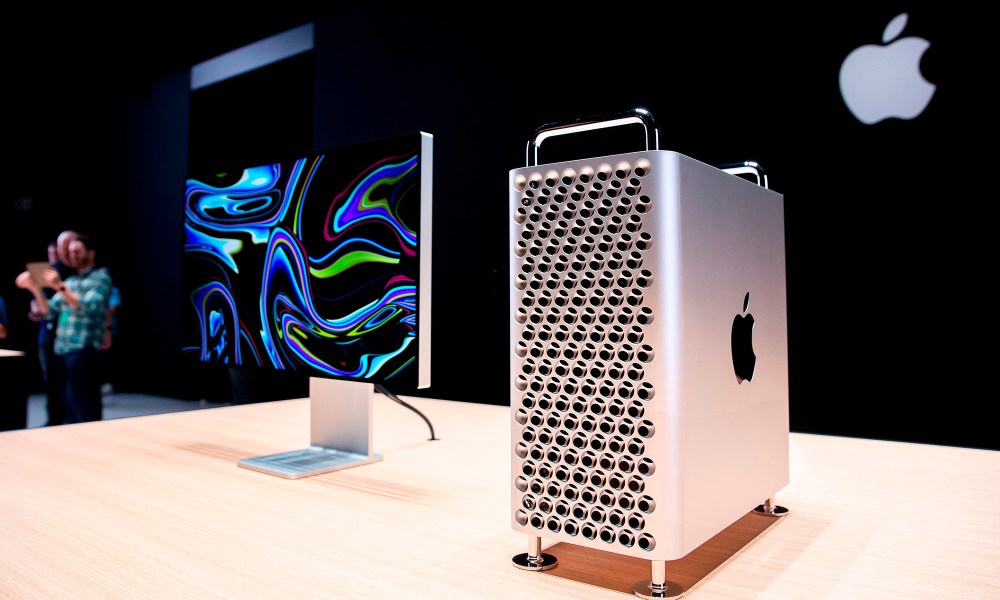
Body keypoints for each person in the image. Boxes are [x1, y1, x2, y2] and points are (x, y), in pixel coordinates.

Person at [15, 234, 112, 424]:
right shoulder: (72, 282)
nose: (72, 256)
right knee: (67, 402)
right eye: (70, 252)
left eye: (77, 251)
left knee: (83, 402)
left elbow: (88, 306)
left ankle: (92, 440)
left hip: (83, 348)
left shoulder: (101, 277)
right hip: (63, 348)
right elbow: (49, 311)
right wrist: (35, 289)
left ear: (90, 253)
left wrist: (58, 286)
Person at [29, 236, 76, 426]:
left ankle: (72, 419)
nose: (57, 256)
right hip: (48, 333)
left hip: (70, 335)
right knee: (52, 380)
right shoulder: (50, 273)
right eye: (53, 252)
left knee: (70, 384)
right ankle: (55, 418)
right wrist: (36, 304)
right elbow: (46, 308)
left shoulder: (75, 275)